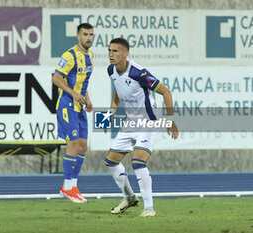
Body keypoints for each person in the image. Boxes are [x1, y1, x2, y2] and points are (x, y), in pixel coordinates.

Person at [104, 38, 179, 217]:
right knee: (111, 161)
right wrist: (109, 114)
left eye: (115, 51)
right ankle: (129, 198)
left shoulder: (139, 72)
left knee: (138, 161)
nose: (110, 54)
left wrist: (170, 119)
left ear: (126, 54)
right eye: (109, 51)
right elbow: (118, 92)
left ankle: (149, 208)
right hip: (132, 122)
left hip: (150, 122)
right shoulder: (111, 70)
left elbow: (166, 92)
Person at [52, 23, 94, 203]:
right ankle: (66, 186)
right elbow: (56, 78)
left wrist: (87, 98)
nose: (89, 38)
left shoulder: (90, 56)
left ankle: (74, 186)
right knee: (74, 143)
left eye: (91, 35)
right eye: (85, 34)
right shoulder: (69, 55)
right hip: (67, 104)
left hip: (80, 105)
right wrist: (74, 93)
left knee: (83, 146)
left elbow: (82, 81)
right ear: (78, 36)